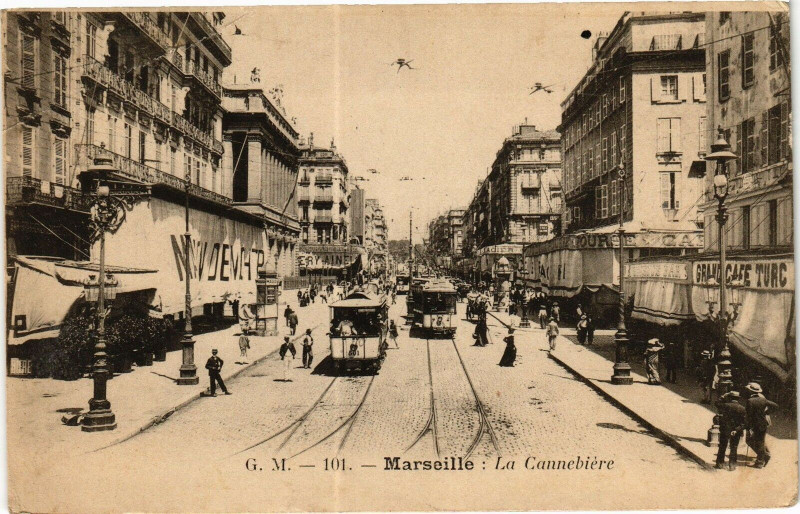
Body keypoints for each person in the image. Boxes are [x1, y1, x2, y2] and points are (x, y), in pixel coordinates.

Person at [745, 382, 778, 468]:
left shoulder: (750, 401)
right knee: (761, 441)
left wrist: (748, 427)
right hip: (763, 424)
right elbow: (775, 405)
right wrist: (766, 412)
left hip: (754, 425)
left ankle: (760, 461)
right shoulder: (763, 399)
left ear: (750, 391)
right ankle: (764, 456)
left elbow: (749, 415)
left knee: (755, 442)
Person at [715, 391, 747, 470]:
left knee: (722, 446)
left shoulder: (725, 406)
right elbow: (744, 423)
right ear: (738, 399)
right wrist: (736, 430)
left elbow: (716, 403)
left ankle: (720, 463)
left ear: (730, 398)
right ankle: (732, 465)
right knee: (734, 447)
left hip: (725, 429)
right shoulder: (742, 408)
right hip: (736, 431)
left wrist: (723, 396)